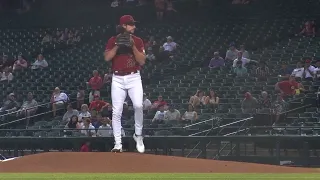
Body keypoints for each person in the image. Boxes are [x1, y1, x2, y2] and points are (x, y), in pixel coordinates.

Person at [104, 15, 146, 153]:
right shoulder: (113, 40)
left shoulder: (138, 41)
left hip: (134, 77)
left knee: (138, 106)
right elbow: (107, 58)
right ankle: (118, 144)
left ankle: (138, 135)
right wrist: (117, 45)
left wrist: (133, 46)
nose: (134, 26)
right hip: (117, 78)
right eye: (131, 24)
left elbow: (142, 61)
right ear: (123, 26)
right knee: (116, 112)